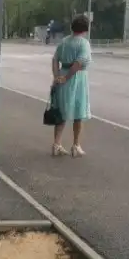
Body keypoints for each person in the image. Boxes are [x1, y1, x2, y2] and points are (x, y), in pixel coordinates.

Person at [50, 14, 92, 157]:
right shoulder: (84, 43)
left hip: (62, 76)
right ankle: (76, 145)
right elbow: (79, 63)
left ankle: (56, 144)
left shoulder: (64, 41)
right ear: (86, 28)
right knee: (79, 113)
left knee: (61, 112)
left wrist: (57, 76)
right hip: (78, 80)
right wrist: (67, 77)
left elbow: (55, 59)